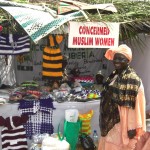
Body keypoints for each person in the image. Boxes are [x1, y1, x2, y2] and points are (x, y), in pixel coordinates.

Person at [98, 44, 146, 150]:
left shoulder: (133, 80)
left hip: (121, 124)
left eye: (121, 58)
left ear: (128, 60)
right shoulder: (114, 75)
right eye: (115, 58)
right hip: (108, 123)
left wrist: (132, 127)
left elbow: (136, 105)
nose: (117, 61)